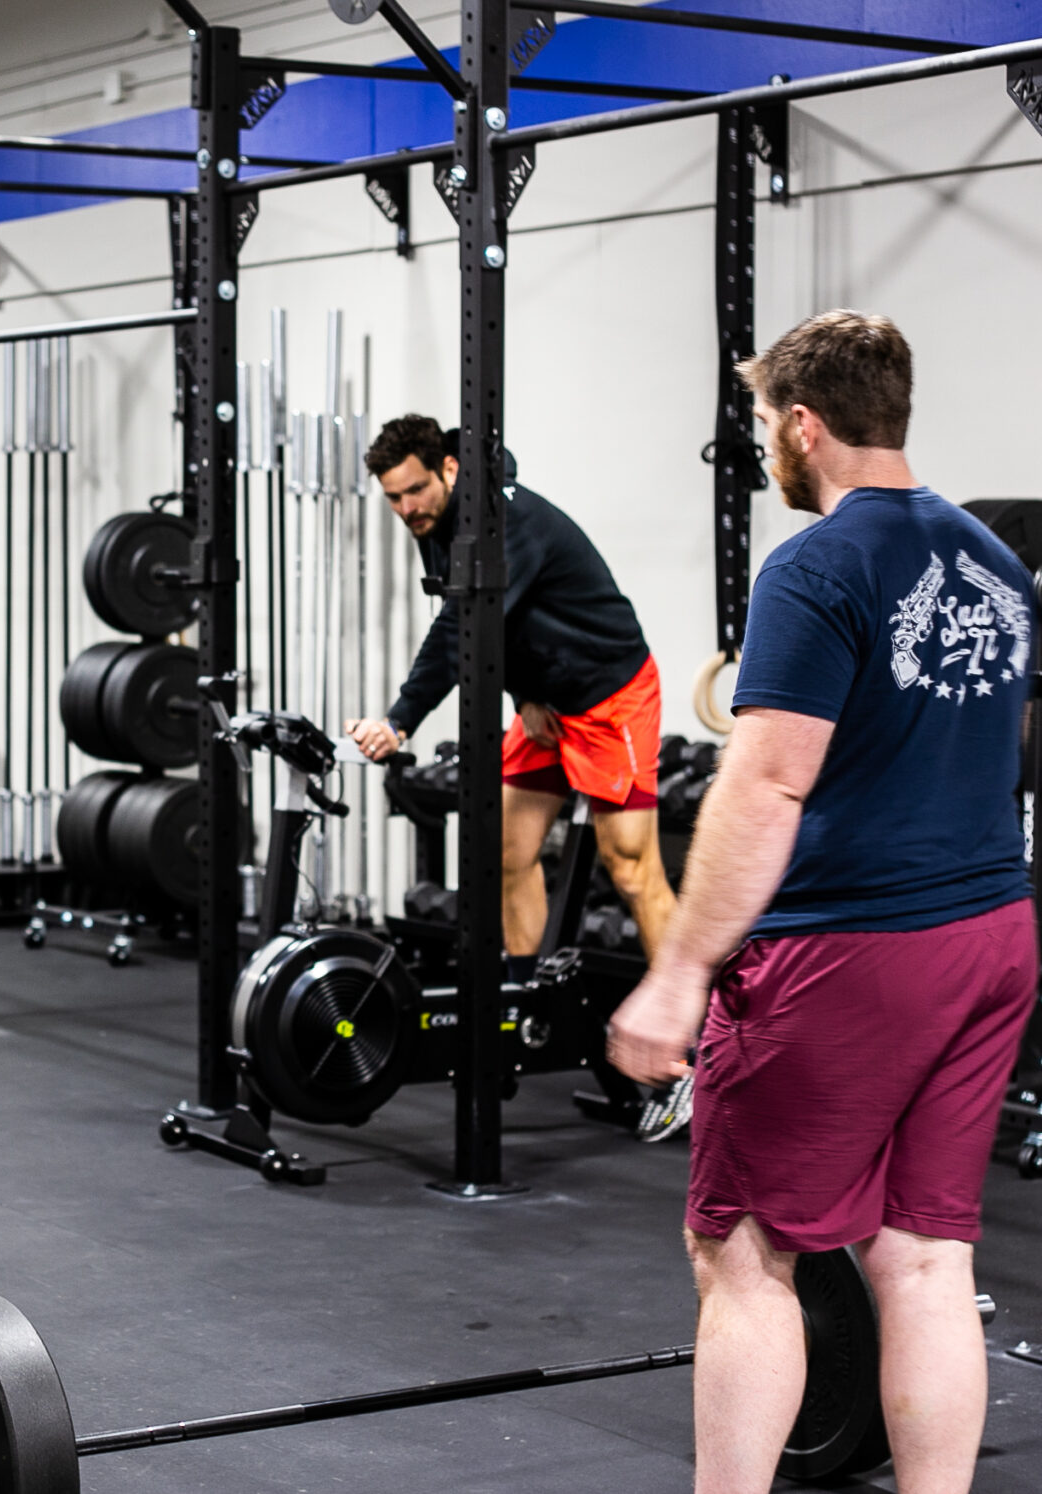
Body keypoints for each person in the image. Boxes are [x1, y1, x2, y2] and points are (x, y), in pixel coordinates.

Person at [607, 310, 1037, 1494]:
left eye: (760, 425)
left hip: (853, 949)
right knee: (924, 1257)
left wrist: (679, 971)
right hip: (991, 933)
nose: (764, 450)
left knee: (742, 1249)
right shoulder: (993, 561)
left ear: (803, 424)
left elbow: (766, 782)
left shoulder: (816, 562)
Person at [345, 416, 681, 1128]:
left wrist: (399, 718)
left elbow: (462, 632)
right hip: (548, 702)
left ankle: (694, 1054)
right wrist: (523, 694)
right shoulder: (441, 525)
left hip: (610, 695)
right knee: (504, 852)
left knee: (632, 870)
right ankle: (522, 1013)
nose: (407, 510)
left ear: (448, 468)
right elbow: (497, 624)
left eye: (414, 491)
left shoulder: (505, 519)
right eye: (393, 499)